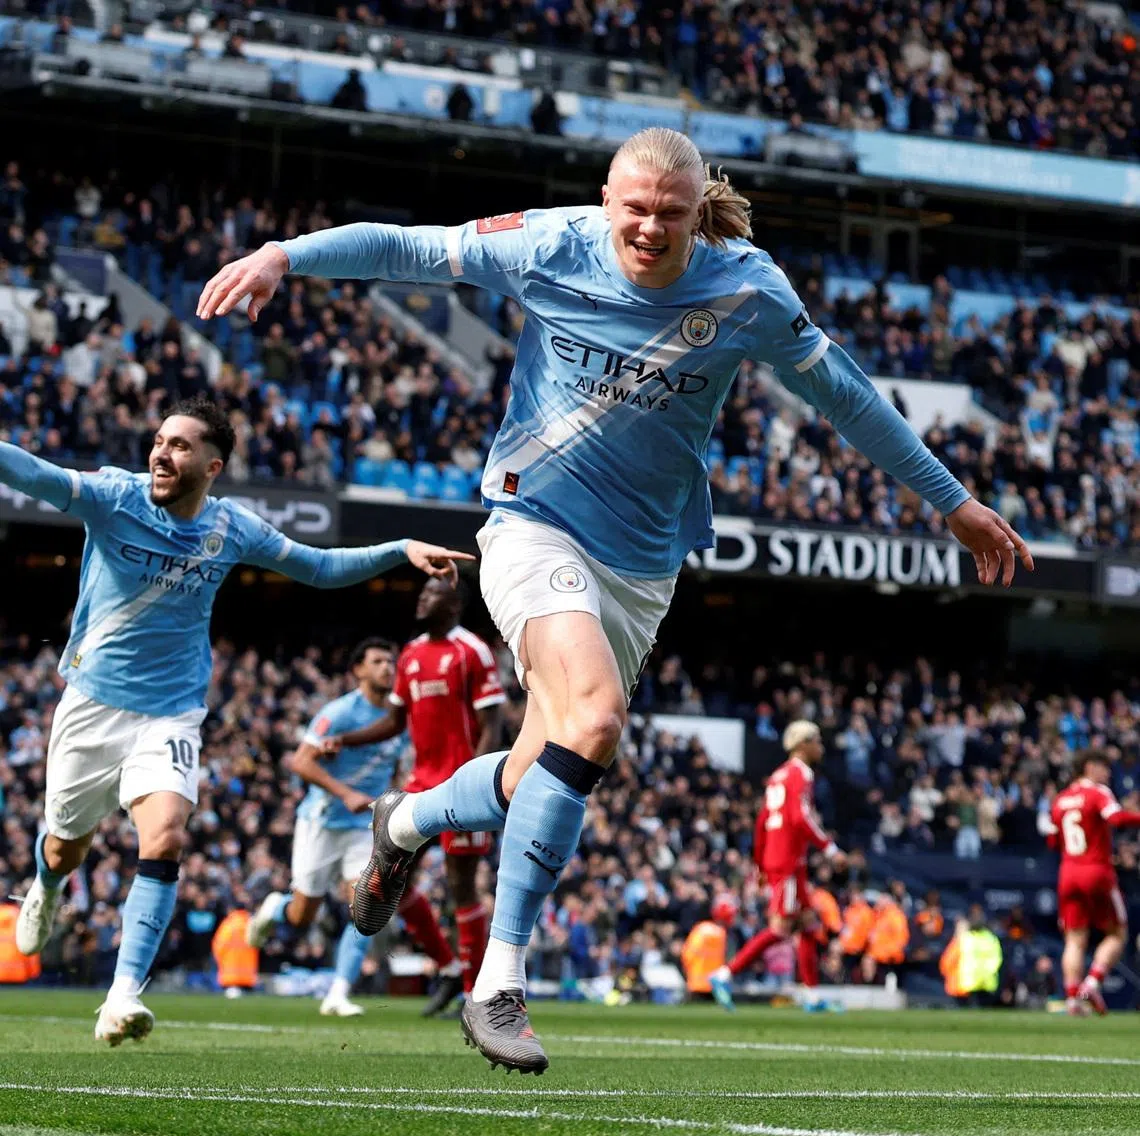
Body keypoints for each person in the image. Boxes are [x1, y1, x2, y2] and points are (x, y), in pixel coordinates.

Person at [196, 126, 1033, 1073]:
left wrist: (951, 500)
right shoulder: (549, 244)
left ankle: (406, 822)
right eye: (632, 209)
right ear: (605, 198)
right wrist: (283, 255)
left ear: (694, 216)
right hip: (530, 521)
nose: (647, 228)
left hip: (641, 565)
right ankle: (499, 985)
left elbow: (844, 394)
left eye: (669, 215)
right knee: (595, 719)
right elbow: (412, 246)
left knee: (535, 766)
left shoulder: (747, 287)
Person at [7, 392, 470, 1046]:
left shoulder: (233, 529)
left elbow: (317, 566)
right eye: (160, 442)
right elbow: (33, 473)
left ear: (212, 466)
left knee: (165, 836)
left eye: (180, 446)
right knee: (65, 846)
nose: (161, 454)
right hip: (90, 708)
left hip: (169, 715)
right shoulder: (112, 497)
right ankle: (48, 883)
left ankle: (120, 998)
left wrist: (398, 548)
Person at [324, 579, 506, 1016]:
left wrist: (476, 785)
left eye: (430, 594)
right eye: (421, 592)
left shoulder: (471, 652)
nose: (421, 598)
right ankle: (446, 967)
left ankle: (471, 992)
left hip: (462, 787)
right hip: (421, 785)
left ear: (454, 603)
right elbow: (394, 722)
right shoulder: (410, 655)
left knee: (462, 886)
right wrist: (345, 740)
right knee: (391, 876)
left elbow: (493, 726)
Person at [247, 637, 409, 1017]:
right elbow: (300, 761)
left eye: (391, 661)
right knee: (303, 915)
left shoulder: (400, 719)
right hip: (322, 822)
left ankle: (337, 993)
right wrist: (346, 792)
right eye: (378, 661)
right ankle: (277, 907)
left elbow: (394, 766)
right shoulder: (338, 713)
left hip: (362, 828)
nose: (388, 667)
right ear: (358, 670)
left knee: (365, 906)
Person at [708, 720, 846, 1011]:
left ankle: (812, 995)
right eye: (817, 740)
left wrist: (759, 864)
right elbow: (800, 818)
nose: (821, 746)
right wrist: (830, 848)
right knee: (782, 927)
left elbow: (762, 823)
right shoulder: (800, 773)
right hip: (788, 860)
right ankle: (724, 974)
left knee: (808, 926)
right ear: (802, 744)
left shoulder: (777, 776)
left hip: (780, 857)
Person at [1046, 748, 1140, 1015]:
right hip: (1096, 871)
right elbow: (1116, 818)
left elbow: (1052, 842)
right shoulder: (1098, 793)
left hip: (1068, 874)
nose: (1108, 773)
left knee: (1074, 940)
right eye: (1104, 767)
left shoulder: (1060, 799)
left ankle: (1074, 999)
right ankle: (1091, 984)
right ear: (1089, 766)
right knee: (1117, 933)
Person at [680, 895, 735, 1000]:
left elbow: (687, 955)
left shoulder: (700, 929)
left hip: (696, 983)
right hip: (716, 986)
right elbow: (729, 960)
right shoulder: (723, 935)